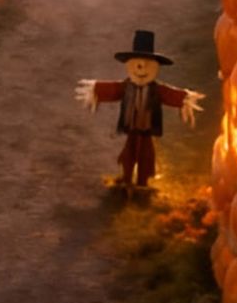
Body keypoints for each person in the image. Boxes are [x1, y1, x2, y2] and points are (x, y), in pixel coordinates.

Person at [75, 28, 202, 192]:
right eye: (137, 64)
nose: (141, 68)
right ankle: (127, 178)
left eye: (147, 64)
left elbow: (171, 95)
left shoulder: (157, 90)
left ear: (155, 67)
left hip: (146, 129)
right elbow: (113, 90)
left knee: (146, 155)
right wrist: (96, 90)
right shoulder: (126, 87)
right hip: (132, 127)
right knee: (129, 153)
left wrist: (185, 99)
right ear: (130, 65)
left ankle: (142, 182)